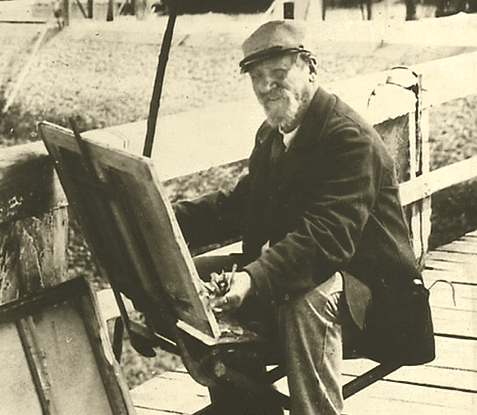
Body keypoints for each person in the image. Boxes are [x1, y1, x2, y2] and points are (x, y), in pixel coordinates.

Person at [173, 20, 434, 414]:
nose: (266, 87)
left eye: (279, 74)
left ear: (311, 69)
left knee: (306, 297)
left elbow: (326, 238)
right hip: (312, 275)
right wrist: (166, 217)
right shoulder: (273, 134)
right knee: (192, 274)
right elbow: (242, 205)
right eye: (257, 77)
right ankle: (243, 404)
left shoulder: (349, 139)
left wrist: (251, 278)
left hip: (379, 299)